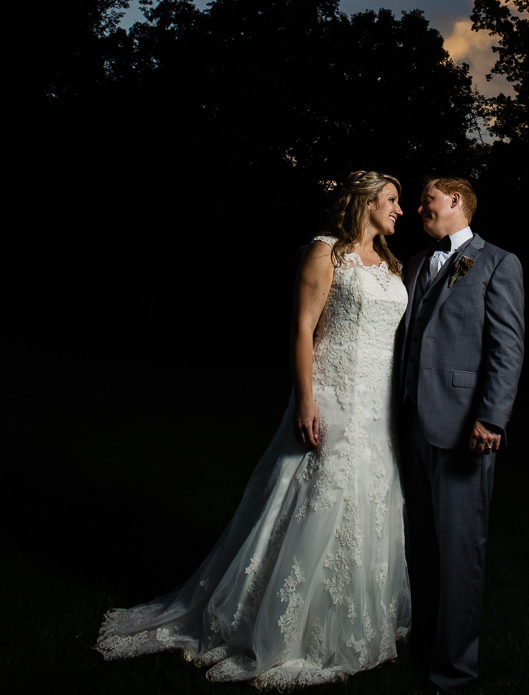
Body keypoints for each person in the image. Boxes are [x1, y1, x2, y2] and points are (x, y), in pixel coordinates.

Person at [96, 171, 412, 688]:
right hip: (334, 395)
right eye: (392, 200)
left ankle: (351, 622)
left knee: (370, 504)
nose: (400, 210)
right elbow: (303, 331)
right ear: (364, 202)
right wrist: (307, 401)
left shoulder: (393, 265)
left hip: (379, 409)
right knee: (314, 503)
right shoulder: (325, 251)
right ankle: (271, 624)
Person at [399, 175, 525, 692]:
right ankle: (421, 644)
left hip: (463, 427)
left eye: (426, 198)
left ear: (454, 199)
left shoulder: (498, 261)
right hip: (409, 426)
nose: (417, 207)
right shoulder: (412, 263)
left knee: (459, 553)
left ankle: (455, 671)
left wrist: (492, 417)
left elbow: (507, 347)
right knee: (419, 549)